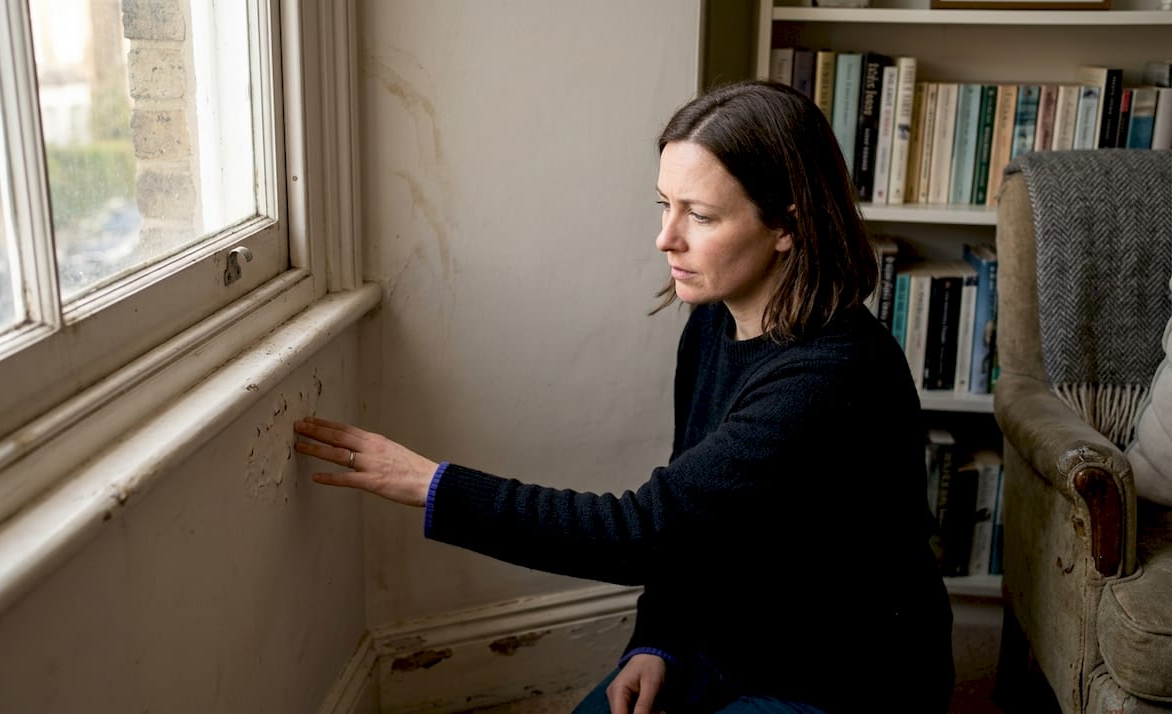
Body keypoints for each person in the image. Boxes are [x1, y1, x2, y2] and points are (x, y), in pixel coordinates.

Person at [294, 80, 954, 714]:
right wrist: (656, 639)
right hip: (725, 644)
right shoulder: (715, 319)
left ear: (787, 224)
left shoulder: (829, 377)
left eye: (700, 215)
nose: (666, 238)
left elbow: (643, 530)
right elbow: (690, 518)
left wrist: (430, 484)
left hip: (842, 680)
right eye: (663, 205)